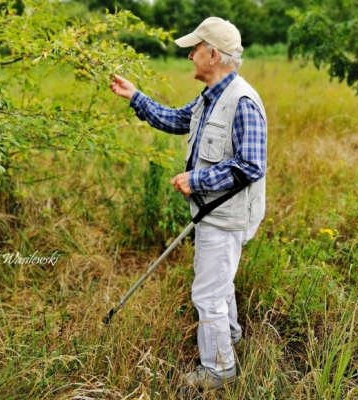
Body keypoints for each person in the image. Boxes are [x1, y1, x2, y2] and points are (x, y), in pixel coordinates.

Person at [110, 17, 267, 389]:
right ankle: (231, 338)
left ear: (213, 55)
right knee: (219, 281)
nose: (191, 55)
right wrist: (136, 97)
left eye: (196, 49)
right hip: (212, 214)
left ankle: (218, 371)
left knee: (208, 291)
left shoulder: (242, 101)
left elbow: (251, 165)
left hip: (226, 216)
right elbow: (178, 119)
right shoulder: (209, 97)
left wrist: (196, 179)